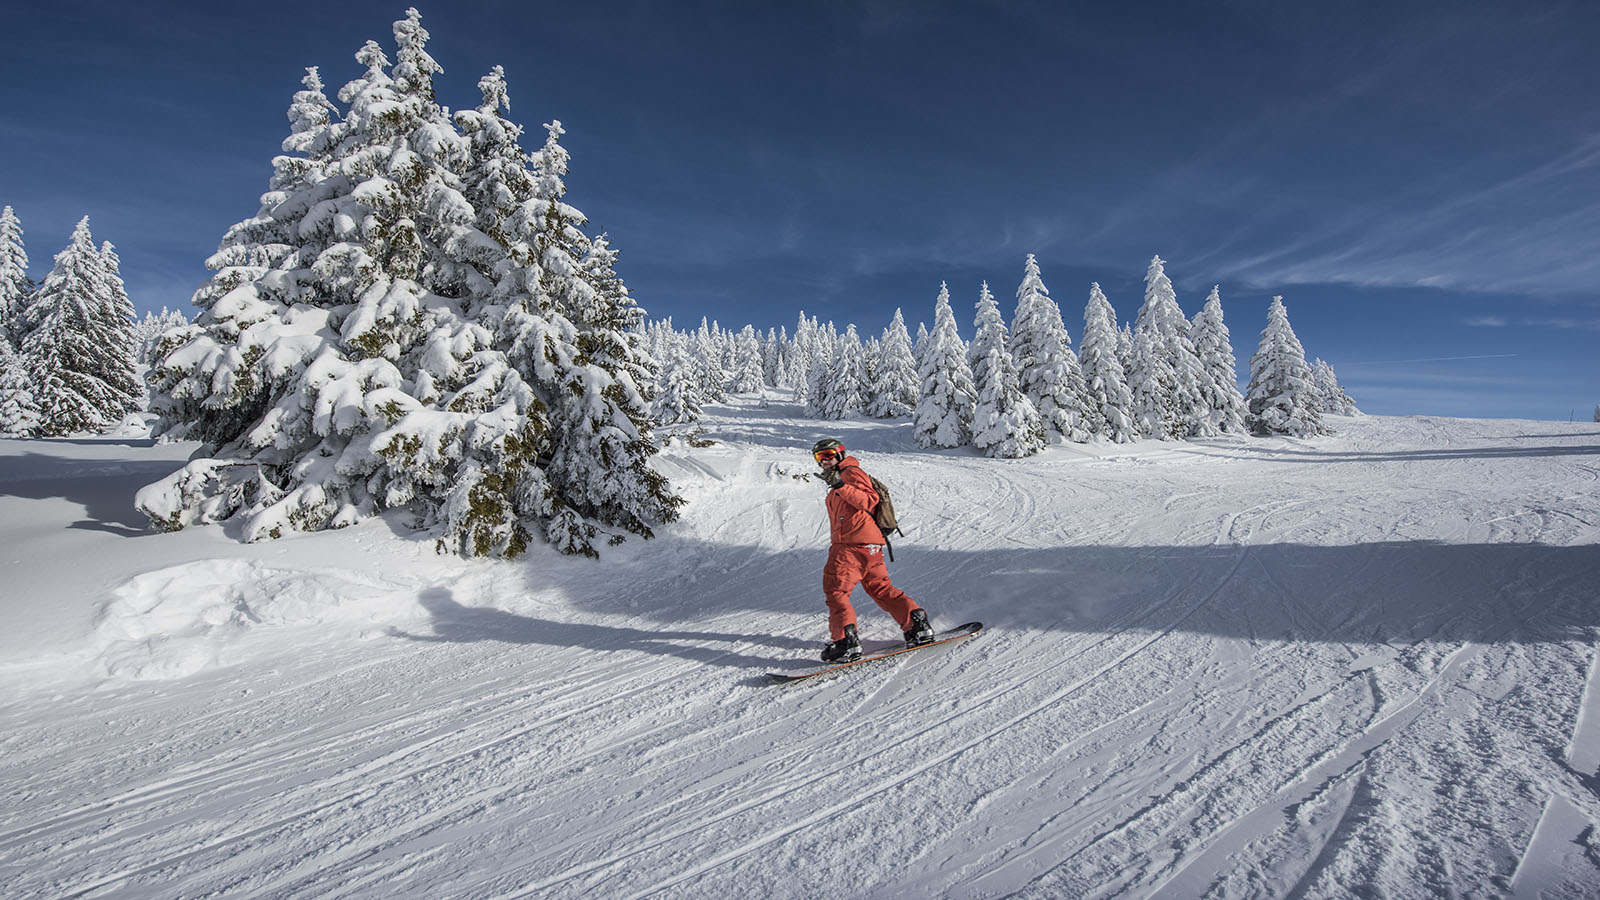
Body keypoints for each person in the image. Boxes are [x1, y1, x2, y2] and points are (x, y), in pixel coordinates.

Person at [811, 437, 933, 661]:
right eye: (820, 457)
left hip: (850, 546)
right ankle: (916, 624)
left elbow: (869, 500)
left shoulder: (850, 473)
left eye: (829, 455)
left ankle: (845, 642)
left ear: (840, 455)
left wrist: (840, 485)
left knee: (837, 591)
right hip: (869, 546)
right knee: (880, 588)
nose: (824, 461)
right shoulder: (843, 477)